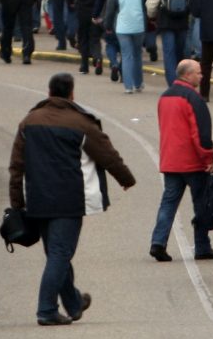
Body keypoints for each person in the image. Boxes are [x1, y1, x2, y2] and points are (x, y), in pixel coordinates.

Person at [9, 72, 136, 325]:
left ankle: (74, 302)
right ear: (71, 94)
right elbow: (107, 154)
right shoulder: (80, 123)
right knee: (60, 253)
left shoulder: (29, 121)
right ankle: (46, 310)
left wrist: (16, 202)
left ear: (48, 92)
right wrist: (126, 179)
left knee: (56, 253)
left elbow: (17, 165)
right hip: (69, 199)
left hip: (38, 199)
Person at [149, 59, 213, 263]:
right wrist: (208, 157)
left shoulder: (165, 96)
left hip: (170, 159)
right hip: (192, 161)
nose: (202, 76)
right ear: (187, 75)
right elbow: (201, 133)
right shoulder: (193, 99)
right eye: (198, 73)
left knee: (168, 203)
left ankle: (158, 242)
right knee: (201, 204)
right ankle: (202, 246)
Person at [104, 0, 149, 93]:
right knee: (137, 54)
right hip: (138, 24)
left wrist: (107, 26)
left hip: (122, 26)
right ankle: (138, 83)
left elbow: (110, 10)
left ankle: (128, 86)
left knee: (126, 55)